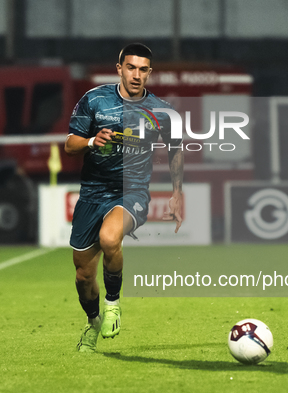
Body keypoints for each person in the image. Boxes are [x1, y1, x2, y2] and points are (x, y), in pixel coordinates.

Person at [65, 43, 184, 352]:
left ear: (150, 73)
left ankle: (114, 303)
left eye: (143, 69)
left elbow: (175, 152)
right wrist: (92, 141)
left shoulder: (162, 112)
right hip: (92, 193)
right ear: (119, 69)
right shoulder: (94, 100)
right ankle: (93, 321)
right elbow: (70, 144)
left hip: (131, 192)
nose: (136, 75)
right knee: (83, 275)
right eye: (131, 67)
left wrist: (177, 193)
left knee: (109, 238)